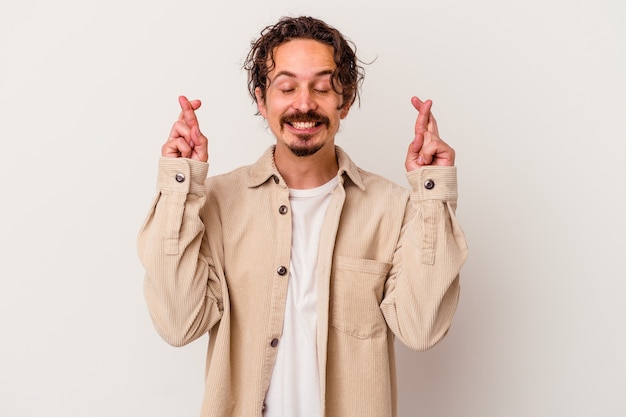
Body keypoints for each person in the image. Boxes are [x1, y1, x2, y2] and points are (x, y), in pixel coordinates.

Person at [138, 15, 468, 417]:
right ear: (262, 101)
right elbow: (179, 325)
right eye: (287, 87)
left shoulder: (395, 208)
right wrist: (181, 186)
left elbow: (421, 330)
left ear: (345, 100)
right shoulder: (217, 202)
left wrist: (431, 193)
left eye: (322, 87)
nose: (305, 103)